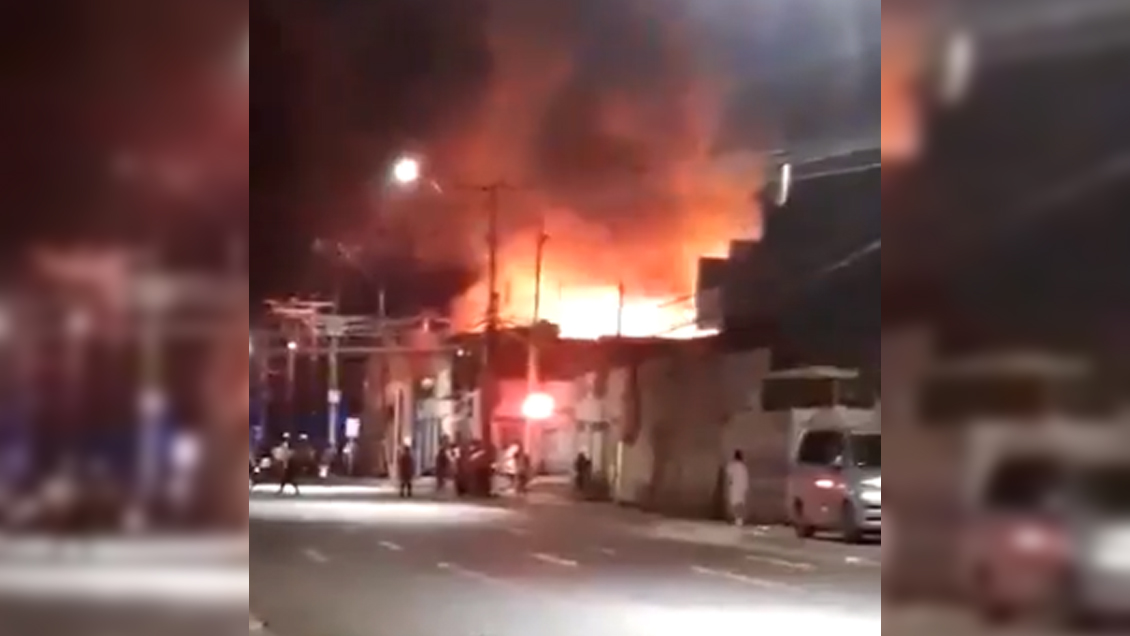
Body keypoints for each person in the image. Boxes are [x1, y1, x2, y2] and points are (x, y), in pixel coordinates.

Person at [725, 450, 749, 527]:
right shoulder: (743, 467)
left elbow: (728, 475)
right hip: (741, 487)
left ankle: (737, 519)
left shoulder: (732, 466)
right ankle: (739, 520)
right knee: (740, 504)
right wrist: (746, 488)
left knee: (735, 504)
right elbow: (746, 478)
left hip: (735, 486)